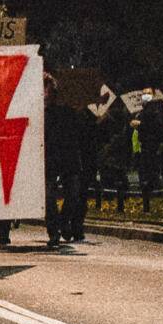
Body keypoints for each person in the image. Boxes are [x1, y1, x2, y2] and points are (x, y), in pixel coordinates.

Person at [42, 72, 90, 250]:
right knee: (49, 198)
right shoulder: (39, 112)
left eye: (50, 90)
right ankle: (54, 232)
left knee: (73, 194)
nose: (47, 94)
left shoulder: (67, 111)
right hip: (49, 157)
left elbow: (82, 130)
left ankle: (63, 222)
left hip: (68, 157)